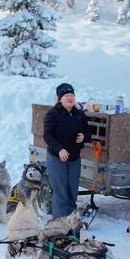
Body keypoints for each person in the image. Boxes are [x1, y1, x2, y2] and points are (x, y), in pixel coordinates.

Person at [43, 83, 90, 219]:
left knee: (72, 191)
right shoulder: (53, 114)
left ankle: (71, 221)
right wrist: (60, 149)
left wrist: (83, 137)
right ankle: (59, 222)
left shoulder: (79, 114)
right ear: (60, 99)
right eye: (66, 95)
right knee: (60, 192)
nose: (70, 98)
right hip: (57, 158)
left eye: (72, 95)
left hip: (74, 158)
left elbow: (88, 133)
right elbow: (48, 136)